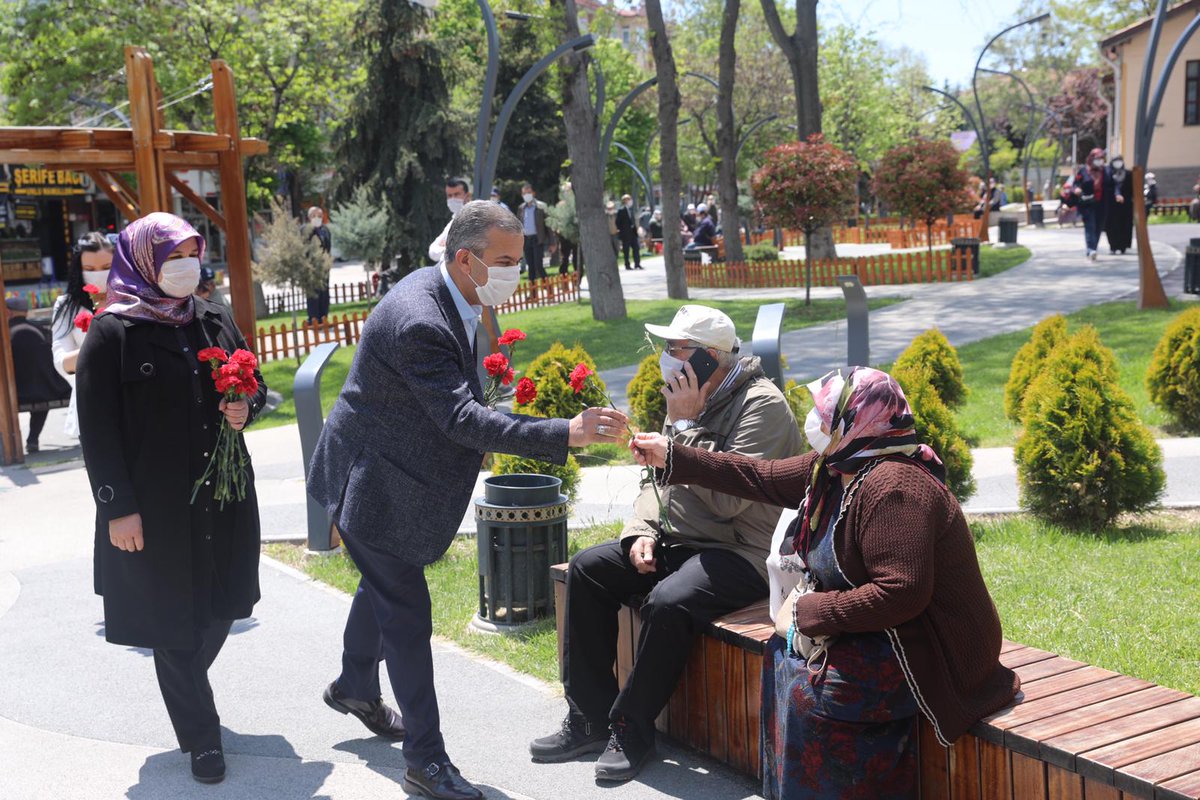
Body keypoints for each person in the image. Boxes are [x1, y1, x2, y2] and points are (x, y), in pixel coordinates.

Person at [306, 200, 627, 800]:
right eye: (504, 261)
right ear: (464, 259)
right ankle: (425, 762)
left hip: (387, 477)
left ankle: (354, 688)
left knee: (383, 586)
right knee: (407, 614)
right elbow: (462, 419)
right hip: (372, 485)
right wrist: (565, 432)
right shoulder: (420, 320)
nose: (515, 272)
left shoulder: (449, 294)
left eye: (518, 258)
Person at [631, 367, 1020, 800]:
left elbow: (901, 593)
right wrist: (673, 455)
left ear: (859, 420)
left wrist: (809, 611)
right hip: (884, 630)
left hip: (928, 648)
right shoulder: (835, 467)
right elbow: (759, 476)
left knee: (815, 692)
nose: (815, 420)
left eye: (825, 413)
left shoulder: (896, 486)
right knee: (779, 654)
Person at [530, 306, 802, 782]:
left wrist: (682, 428)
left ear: (710, 357)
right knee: (589, 568)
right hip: (680, 538)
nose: (668, 357)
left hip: (741, 550)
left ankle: (631, 729)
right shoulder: (686, 399)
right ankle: (589, 718)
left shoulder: (763, 406)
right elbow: (655, 481)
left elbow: (727, 502)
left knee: (669, 600)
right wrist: (642, 529)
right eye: (668, 347)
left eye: (679, 348)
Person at [76, 212, 267, 785]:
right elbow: (98, 430)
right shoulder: (112, 332)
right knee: (173, 619)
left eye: (191, 253)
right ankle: (202, 737)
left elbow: (254, 384)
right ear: (142, 261)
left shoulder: (213, 317)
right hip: (154, 507)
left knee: (224, 605)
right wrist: (117, 509)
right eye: (172, 256)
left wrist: (245, 407)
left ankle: (187, 687)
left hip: (224, 493)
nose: (186, 266)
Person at [52, 232, 114, 439]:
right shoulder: (67, 307)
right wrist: (99, 343)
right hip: (92, 405)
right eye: (90, 269)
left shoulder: (133, 299)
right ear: (79, 270)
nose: (99, 274)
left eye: (106, 267)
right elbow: (62, 362)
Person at [7, 295, 72, 453]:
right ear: (26, 312)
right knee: (41, 393)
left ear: (8, 312)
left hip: (14, 395)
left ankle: (7, 446)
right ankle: (33, 438)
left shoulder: (5, 335)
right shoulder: (42, 331)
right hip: (48, 391)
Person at [1073, 148, 1108, 261]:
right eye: (1097, 158)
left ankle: (1093, 248)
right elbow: (1075, 183)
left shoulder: (1105, 171)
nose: (1099, 160)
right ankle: (1091, 249)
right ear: (1091, 158)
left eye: (1101, 158)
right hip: (1087, 203)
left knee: (1098, 227)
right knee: (1090, 226)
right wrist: (1077, 189)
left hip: (1102, 204)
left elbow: (1112, 184)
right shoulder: (1083, 170)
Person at [429, 178, 472, 264]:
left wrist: (445, 246)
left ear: (467, 196)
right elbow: (432, 251)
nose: (452, 199)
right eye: (449, 195)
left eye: (456, 194)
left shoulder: (472, 220)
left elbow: (463, 253)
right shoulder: (453, 221)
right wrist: (447, 249)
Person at [305, 205, 333, 323]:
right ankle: (314, 318)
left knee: (324, 292)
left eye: (319, 215)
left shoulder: (325, 230)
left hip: (324, 267)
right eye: (314, 215)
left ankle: (324, 316)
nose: (317, 218)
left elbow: (328, 247)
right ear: (309, 217)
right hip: (311, 267)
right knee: (313, 294)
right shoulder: (305, 230)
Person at [518, 182, 549, 282]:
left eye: (529, 192)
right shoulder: (521, 208)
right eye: (524, 193)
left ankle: (548, 287)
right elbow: (519, 225)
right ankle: (533, 290)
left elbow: (548, 225)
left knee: (538, 265)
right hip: (527, 239)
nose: (527, 195)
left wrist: (552, 243)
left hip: (537, 239)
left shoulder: (541, 206)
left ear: (533, 193)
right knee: (530, 266)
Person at [1104, 155, 1134, 255]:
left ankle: (1123, 246)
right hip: (1111, 205)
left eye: (1120, 160)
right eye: (1116, 161)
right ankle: (1113, 245)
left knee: (1125, 225)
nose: (1118, 163)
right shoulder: (1107, 174)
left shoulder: (1128, 174)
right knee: (1111, 225)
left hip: (1126, 205)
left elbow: (1132, 189)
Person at [615, 194, 642, 271]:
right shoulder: (621, 210)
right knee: (626, 250)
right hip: (625, 234)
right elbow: (617, 222)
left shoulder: (631, 210)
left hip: (633, 232)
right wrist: (623, 230)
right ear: (625, 201)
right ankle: (627, 264)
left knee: (636, 248)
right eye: (628, 199)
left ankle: (637, 264)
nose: (630, 201)